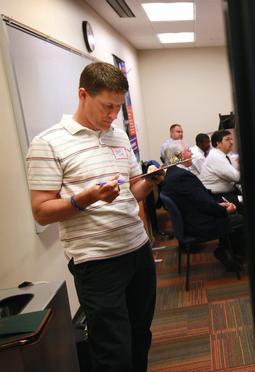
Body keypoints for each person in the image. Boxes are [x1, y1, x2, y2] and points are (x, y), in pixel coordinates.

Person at [26, 62, 163, 372]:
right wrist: (86, 198)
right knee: (112, 350)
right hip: (97, 263)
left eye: (118, 107)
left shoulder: (117, 137)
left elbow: (133, 192)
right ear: (83, 94)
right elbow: (41, 211)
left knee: (140, 336)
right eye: (107, 106)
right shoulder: (48, 144)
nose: (113, 115)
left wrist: (149, 180)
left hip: (138, 251)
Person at [161, 141, 243, 270]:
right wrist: (224, 210)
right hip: (198, 225)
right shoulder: (183, 176)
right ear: (179, 155)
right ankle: (226, 251)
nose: (192, 152)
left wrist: (218, 205)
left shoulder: (172, 173)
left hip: (189, 220)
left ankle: (228, 250)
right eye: (188, 150)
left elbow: (198, 201)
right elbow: (205, 205)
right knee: (242, 219)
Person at [201, 130, 243, 210]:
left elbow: (236, 168)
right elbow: (236, 177)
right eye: (227, 139)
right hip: (218, 197)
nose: (231, 142)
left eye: (231, 139)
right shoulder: (216, 157)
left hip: (227, 192)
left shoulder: (222, 155)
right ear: (218, 143)